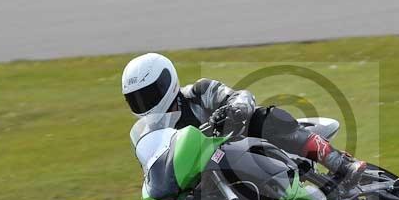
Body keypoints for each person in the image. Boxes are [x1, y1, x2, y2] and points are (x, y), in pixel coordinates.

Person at [121, 52, 366, 187]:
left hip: (245, 145)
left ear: (167, 82)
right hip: (219, 172)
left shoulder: (198, 93)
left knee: (263, 118)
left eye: (149, 95)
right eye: (137, 99)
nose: (145, 104)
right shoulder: (153, 132)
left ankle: (340, 163)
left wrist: (234, 109)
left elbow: (239, 95)